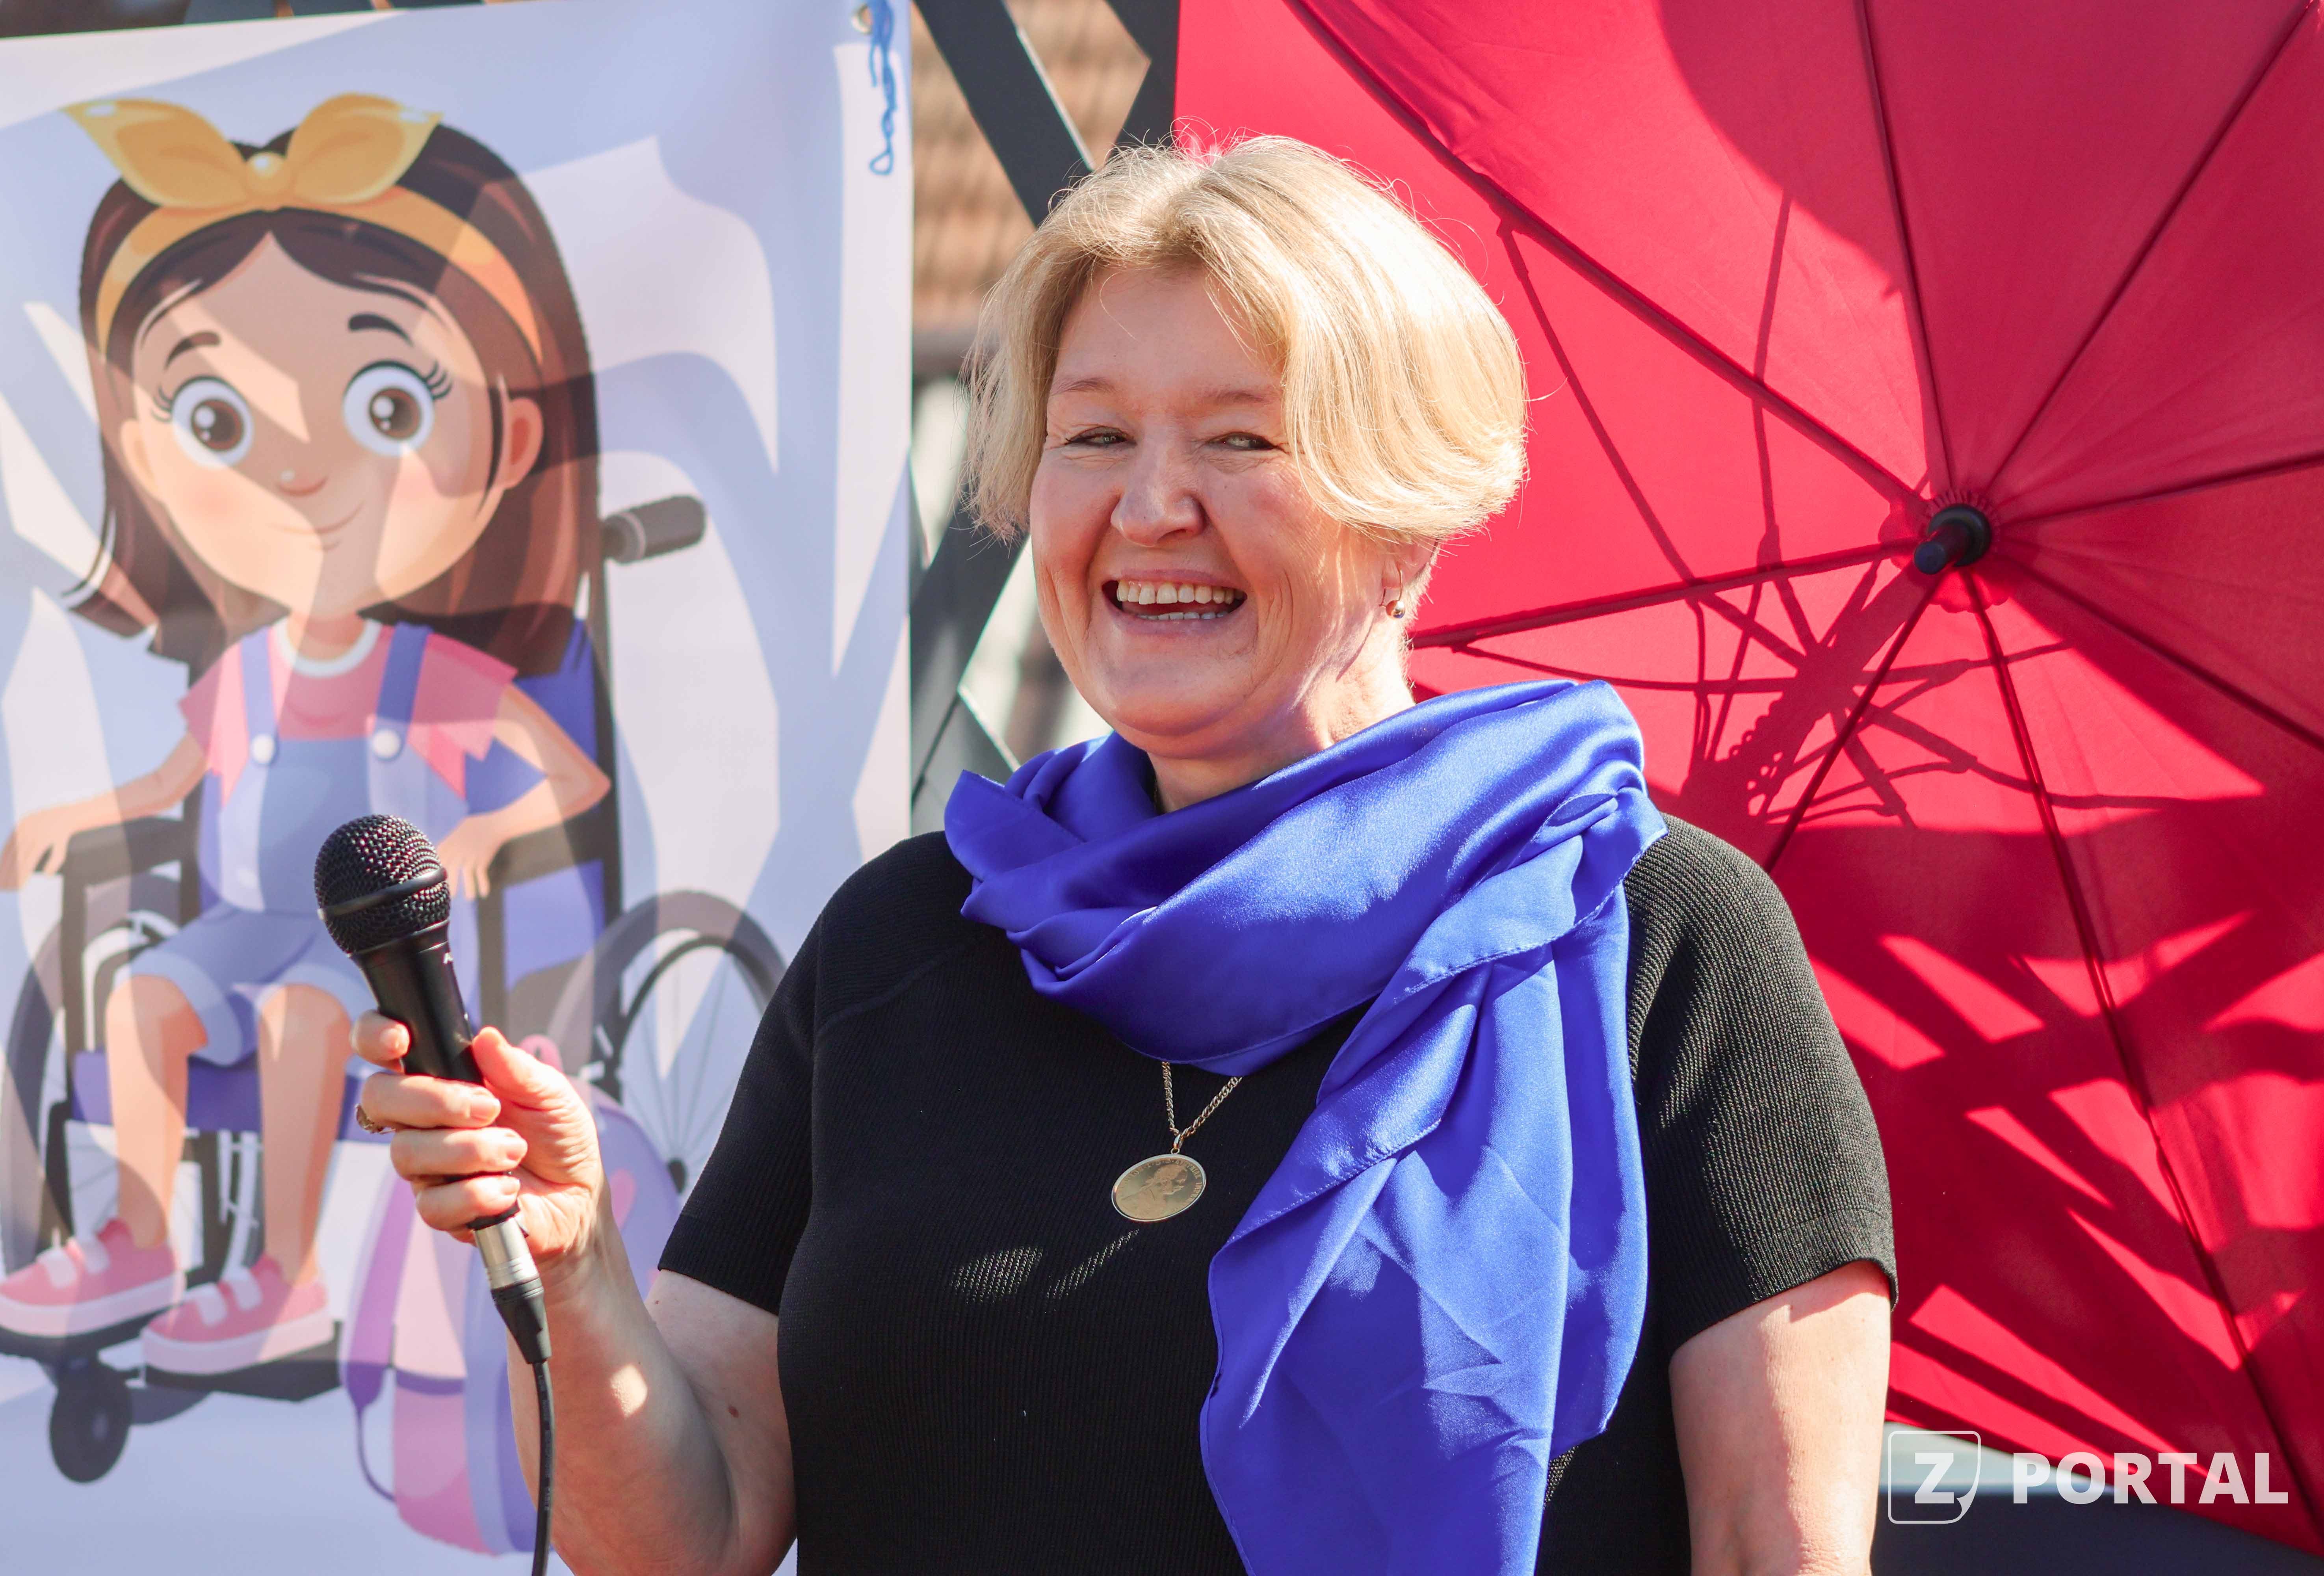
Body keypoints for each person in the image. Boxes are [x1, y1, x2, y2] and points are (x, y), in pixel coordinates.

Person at [356, 137, 1894, 1576]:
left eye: (1242, 438)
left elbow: (1779, 1544)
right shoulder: (908, 936)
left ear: (1408, 523)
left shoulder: (1656, 934)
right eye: (1093, 436)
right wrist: (574, 1271)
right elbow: (685, 1536)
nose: (1153, 507)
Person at [0, 95, 608, 1375]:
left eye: (381, 410)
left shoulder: (423, 673)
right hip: (242, 922)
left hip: (358, 953)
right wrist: (71, 819)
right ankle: (142, 1239)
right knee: (144, 991)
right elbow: (169, 781)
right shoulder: (245, 672)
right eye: (221, 425)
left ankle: (287, 1274)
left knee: (294, 1017)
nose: (298, 470)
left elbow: (572, 776)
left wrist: (486, 832)